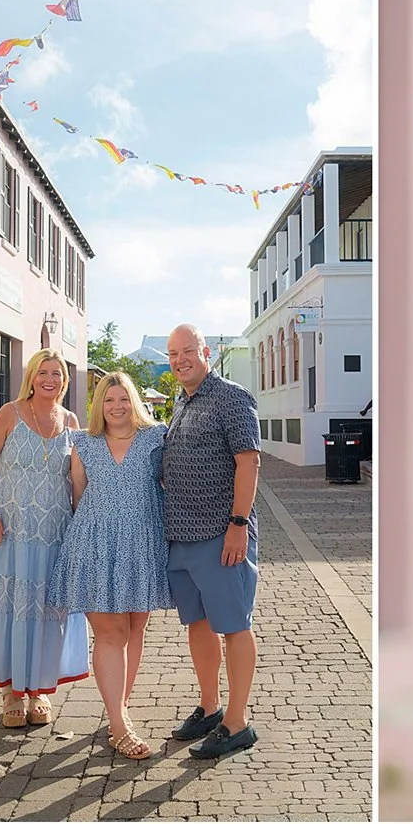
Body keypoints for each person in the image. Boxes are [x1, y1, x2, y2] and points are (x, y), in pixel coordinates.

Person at [0, 348, 90, 728]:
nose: (49, 379)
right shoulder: (10, 413)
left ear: (65, 381)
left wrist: (81, 527)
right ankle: (11, 691)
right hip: (8, 531)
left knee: (46, 610)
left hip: (53, 534)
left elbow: (76, 480)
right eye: (42, 372)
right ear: (31, 377)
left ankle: (39, 690)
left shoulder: (71, 422)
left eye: (56, 373)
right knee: (10, 606)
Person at [50, 372, 173, 760]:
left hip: (143, 546)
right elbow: (78, 495)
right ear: (98, 405)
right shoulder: (83, 443)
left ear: (133, 401)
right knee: (111, 632)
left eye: (123, 399)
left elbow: (168, 484)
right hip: (95, 547)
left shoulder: (156, 438)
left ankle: (119, 710)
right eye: (108, 400)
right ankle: (119, 727)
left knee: (136, 627)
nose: (116, 406)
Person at [159, 324, 263, 759]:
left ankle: (237, 723)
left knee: (234, 625)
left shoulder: (231, 397)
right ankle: (210, 707)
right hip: (181, 535)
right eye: (172, 353)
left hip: (222, 536)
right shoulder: (181, 402)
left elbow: (249, 461)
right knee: (198, 624)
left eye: (187, 351)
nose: (180, 359)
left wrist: (238, 524)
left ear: (205, 353)